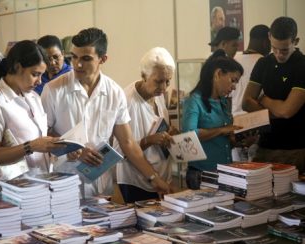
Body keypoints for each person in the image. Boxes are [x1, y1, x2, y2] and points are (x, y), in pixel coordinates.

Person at [41, 28, 171, 198]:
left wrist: (154, 178)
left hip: (101, 186)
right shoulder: (52, 90)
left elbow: (128, 143)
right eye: (74, 57)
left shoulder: (114, 93)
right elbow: (42, 134)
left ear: (103, 59)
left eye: (86, 59)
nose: (77, 64)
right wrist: (71, 147)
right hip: (65, 184)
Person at [0, 40, 63, 177]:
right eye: (35, 74)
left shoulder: (34, 97)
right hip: (19, 186)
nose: (40, 81)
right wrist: (31, 146)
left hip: (44, 179)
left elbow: (40, 138)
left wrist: (62, 147)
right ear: (18, 67)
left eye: (42, 75)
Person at [242, 17, 305, 173]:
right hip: (264, 145)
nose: (279, 54)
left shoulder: (302, 65)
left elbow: (287, 111)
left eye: (284, 50)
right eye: (274, 48)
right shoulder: (263, 63)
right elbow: (246, 102)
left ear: (295, 41)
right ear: (269, 37)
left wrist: (264, 99)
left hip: (295, 148)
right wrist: (276, 111)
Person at [115, 47, 177, 203]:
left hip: (160, 177)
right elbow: (119, 152)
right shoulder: (127, 102)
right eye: (158, 81)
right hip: (137, 182)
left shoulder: (158, 95)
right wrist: (150, 140)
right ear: (143, 76)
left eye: (168, 81)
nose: (164, 87)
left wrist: (169, 132)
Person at [182, 49, 243, 189]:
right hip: (202, 174)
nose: (234, 87)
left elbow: (223, 142)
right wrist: (222, 130)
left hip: (225, 171)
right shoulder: (194, 100)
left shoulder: (223, 102)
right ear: (218, 74)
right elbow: (189, 136)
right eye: (233, 80)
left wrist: (239, 140)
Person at [230, 24, 270, 161]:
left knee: (235, 175)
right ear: (266, 41)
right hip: (254, 129)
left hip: (232, 128)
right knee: (254, 175)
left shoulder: (233, 61)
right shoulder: (265, 63)